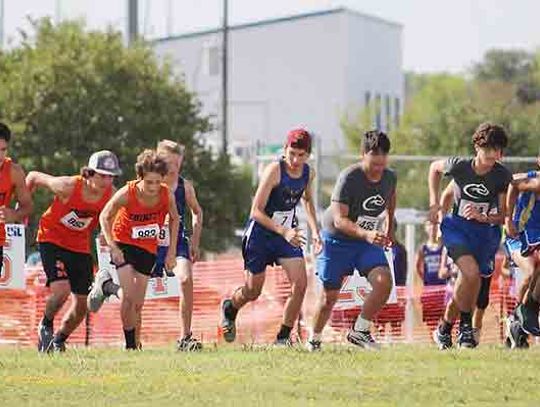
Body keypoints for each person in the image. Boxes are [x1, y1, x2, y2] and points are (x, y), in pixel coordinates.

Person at [221, 128, 321, 345]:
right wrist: (284, 230)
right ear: (285, 149)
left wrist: (316, 232)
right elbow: (255, 211)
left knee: (301, 284)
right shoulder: (274, 170)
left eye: (301, 155)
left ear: (308, 155)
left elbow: (308, 200)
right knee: (253, 290)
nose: (295, 160)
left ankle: (283, 338)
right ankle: (230, 308)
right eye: (291, 153)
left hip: (285, 236)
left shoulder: (308, 174)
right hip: (260, 235)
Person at [307, 130, 396, 351]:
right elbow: (339, 220)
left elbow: (391, 196)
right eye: (373, 164)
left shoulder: (390, 176)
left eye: (381, 164)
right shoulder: (349, 177)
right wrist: (367, 233)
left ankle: (360, 331)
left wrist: (390, 224)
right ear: (362, 155)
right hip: (337, 241)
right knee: (329, 297)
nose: (377, 170)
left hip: (365, 242)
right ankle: (314, 340)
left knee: (384, 282)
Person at [27, 150, 120, 352]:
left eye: (111, 176)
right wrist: (23, 208)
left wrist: (109, 234)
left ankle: (60, 340)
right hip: (51, 237)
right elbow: (33, 176)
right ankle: (45, 323)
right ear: (89, 173)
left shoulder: (111, 195)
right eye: (102, 175)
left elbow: (116, 217)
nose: (107, 181)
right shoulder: (68, 186)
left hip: (78, 245)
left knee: (82, 305)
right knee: (61, 291)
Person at [429, 122, 511, 348]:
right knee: (470, 273)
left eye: (497, 150)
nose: (492, 154)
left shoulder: (502, 176)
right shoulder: (459, 166)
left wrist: (484, 217)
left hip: (485, 234)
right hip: (456, 228)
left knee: (470, 281)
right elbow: (434, 169)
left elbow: (503, 215)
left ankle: (444, 328)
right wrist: (434, 205)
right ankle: (465, 328)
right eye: (488, 149)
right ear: (477, 146)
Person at [99, 149, 180, 350]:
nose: (153, 187)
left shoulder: (166, 194)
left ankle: (107, 287)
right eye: (148, 182)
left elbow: (175, 218)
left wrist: (171, 252)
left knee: (138, 304)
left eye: (157, 182)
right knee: (128, 296)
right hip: (123, 243)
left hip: (147, 247)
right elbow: (104, 216)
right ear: (140, 177)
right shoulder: (128, 192)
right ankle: (130, 346)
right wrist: (112, 246)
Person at [504, 155, 540, 349]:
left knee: (535, 272)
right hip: (518, 235)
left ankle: (520, 318)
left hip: (536, 235)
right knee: (531, 271)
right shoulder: (532, 180)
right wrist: (508, 218)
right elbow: (514, 181)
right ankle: (524, 312)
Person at [0, 122, 33, 279]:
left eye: (3, 150)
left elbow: (27, 206)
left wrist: (13, 215)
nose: (0, 156)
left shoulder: (14, 172)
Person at [416, 221, 447, 333]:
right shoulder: (423, 248)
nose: (433, 228)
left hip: (443, 288)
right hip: (429, 289)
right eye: (430, 225)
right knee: (431, 321)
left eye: (435, 225)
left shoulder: (444, 248)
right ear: (426, 228)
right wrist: (425, 279)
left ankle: (444, 337)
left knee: (445, 316)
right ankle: (433, 340)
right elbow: (417, 266)